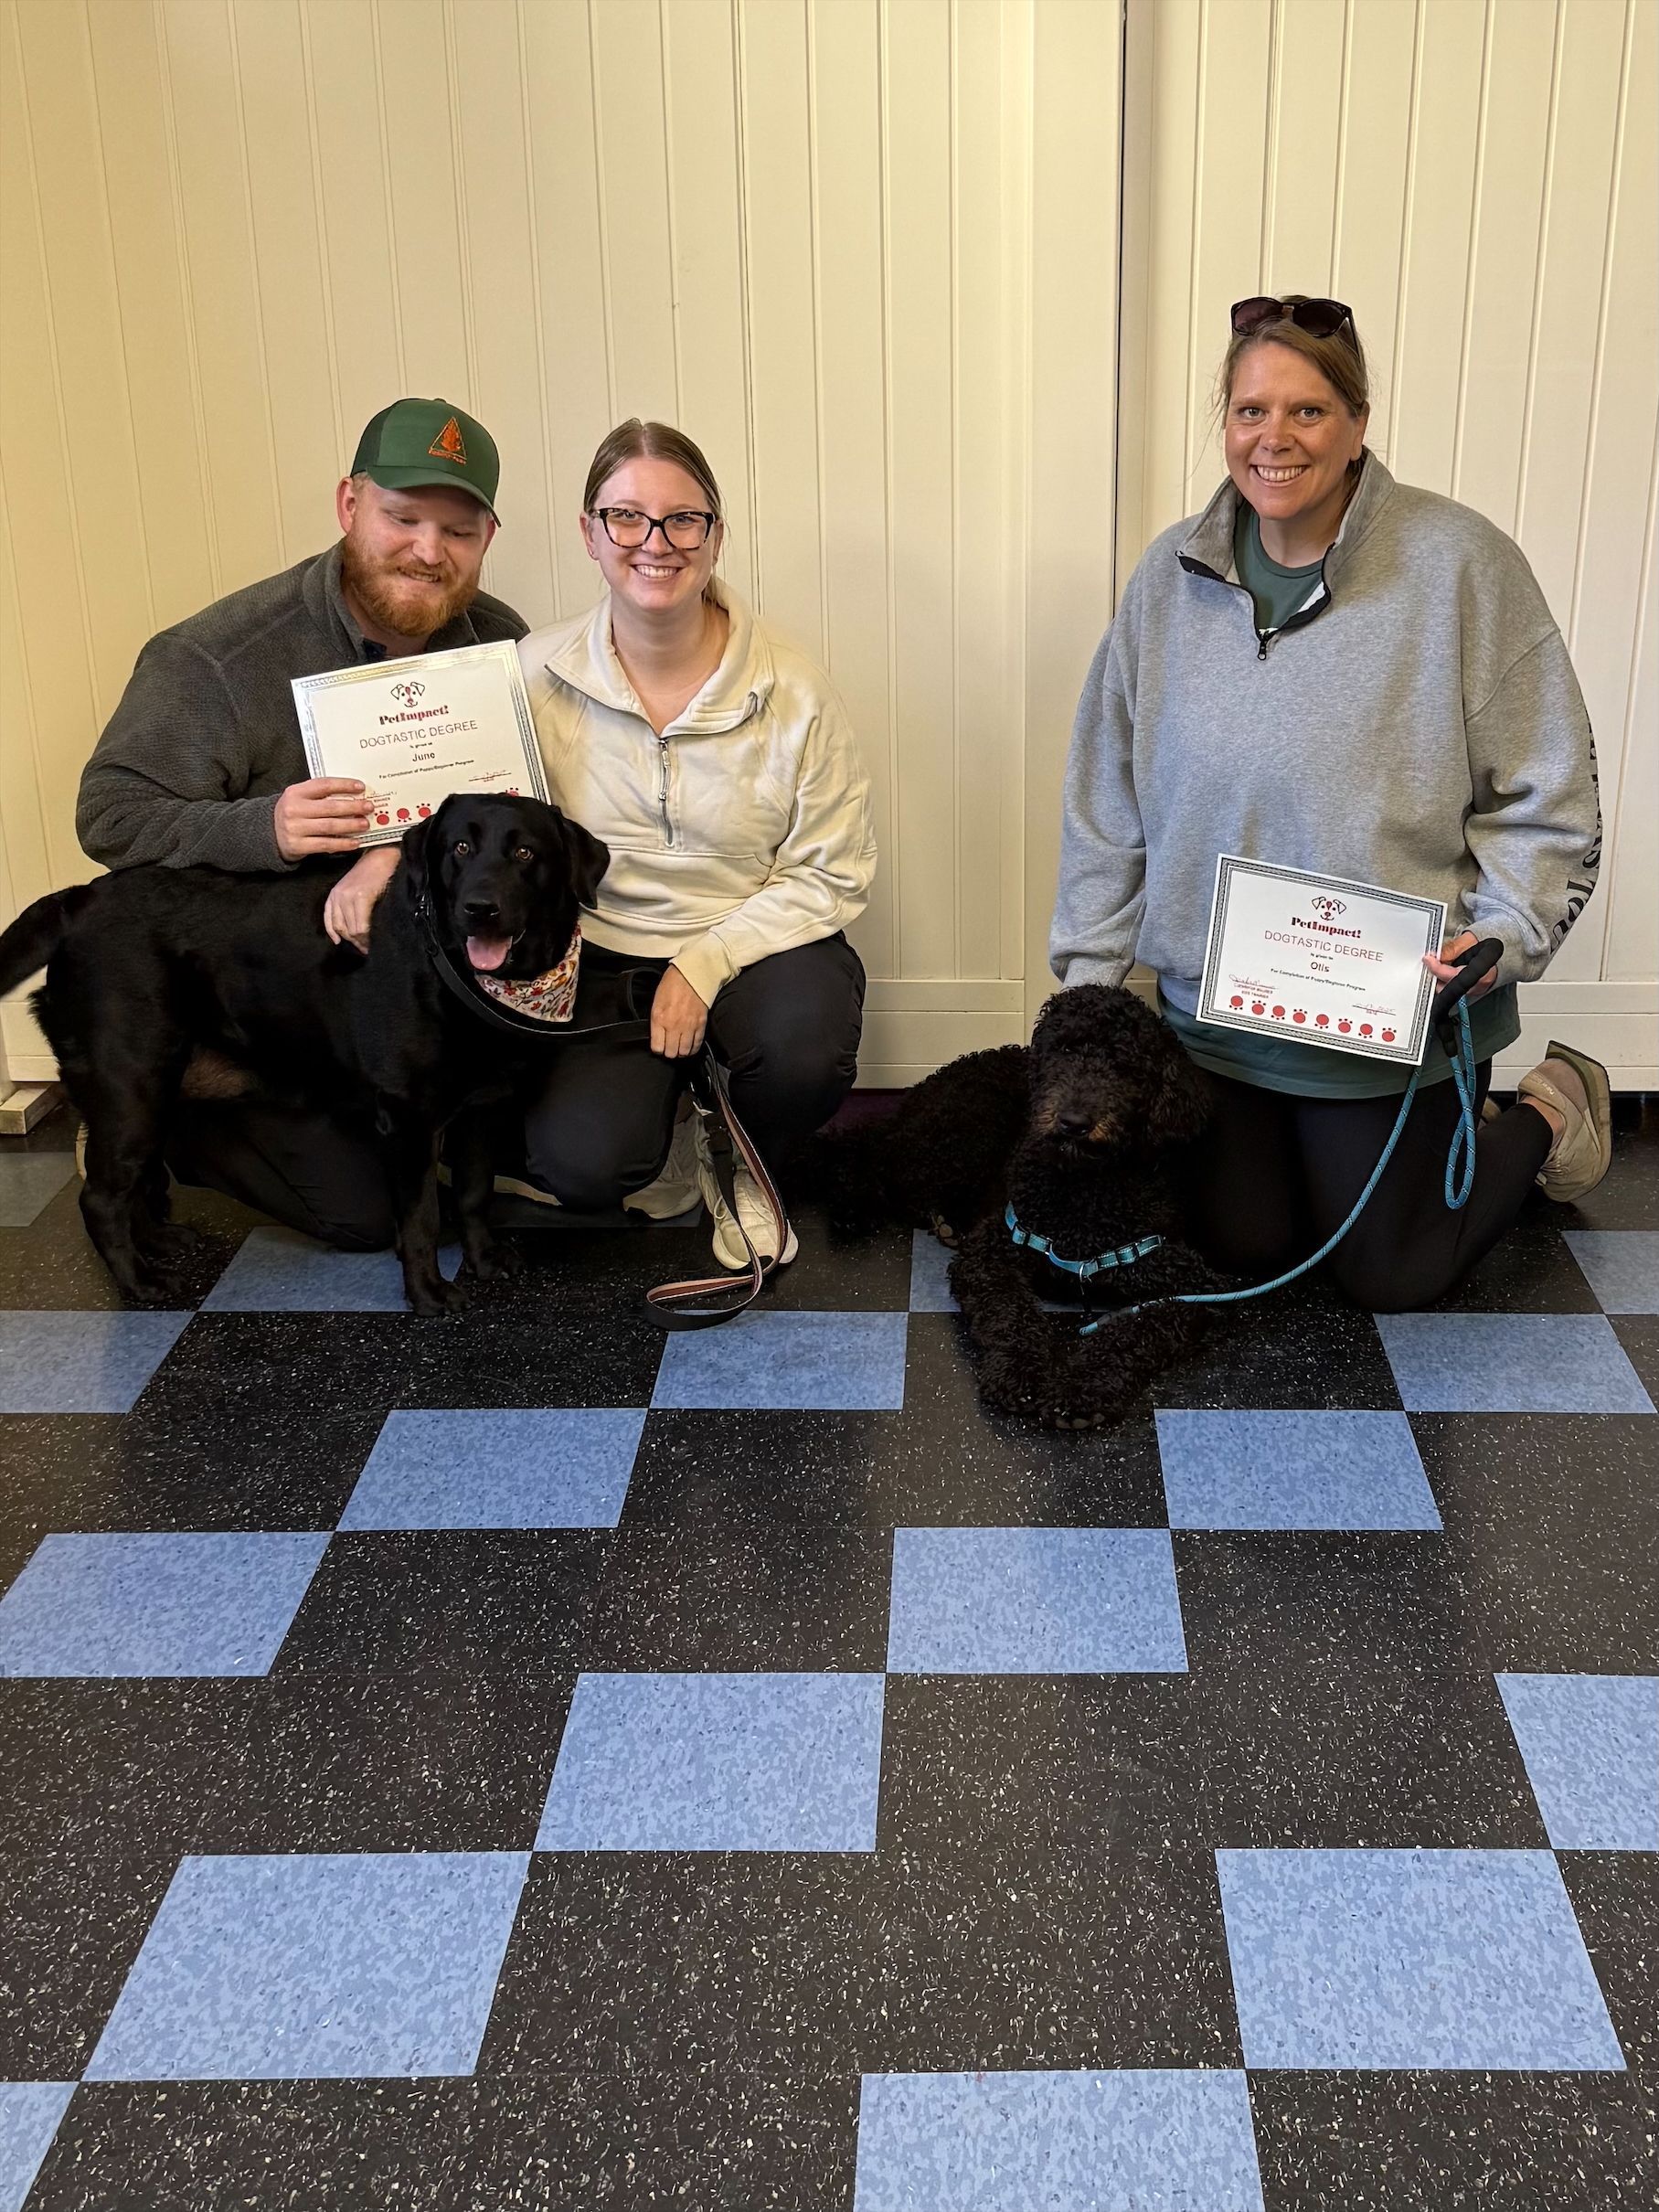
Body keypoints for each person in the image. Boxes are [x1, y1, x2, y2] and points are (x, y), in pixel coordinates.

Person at [1050, 294, 1608, 1312]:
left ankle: (1549, 1110)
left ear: (1358, 424)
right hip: (1219, 1014)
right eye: (1251, 410)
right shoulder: (1170, 576)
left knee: (1392, 1273)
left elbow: (1550, 786)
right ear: (1225, 423)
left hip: (1390, 1018)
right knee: (1242, 1244)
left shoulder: (1459, 564)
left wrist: (1505, 935)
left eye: (1308, 411)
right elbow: (1106, 795)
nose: (1275, 439)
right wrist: (1089, 990)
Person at [75, 397, 526, 1247]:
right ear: (349, 505)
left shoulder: (497, 643)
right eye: (402, 517)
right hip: (257, 1010)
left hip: (409, 996)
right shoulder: (218, 656)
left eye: (458, 531)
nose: (429, 552)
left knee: (544, 1143)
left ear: (487, 539)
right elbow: (109, 814)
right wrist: (263, 829)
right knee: (361, 1216)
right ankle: (156, 1110)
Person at [516, 419, 874, 1268]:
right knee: (582, 1165)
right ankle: (671, 1134)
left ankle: (747, 1163)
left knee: (804, 1054)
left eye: (684, 520)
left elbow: (831, 874)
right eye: (627, 518)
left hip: (759, 944)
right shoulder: (531, 675)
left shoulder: (792, 687)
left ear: (714, 534)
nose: (656, 543)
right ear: (589, 533)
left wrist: (703, 962)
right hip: (600, 954)